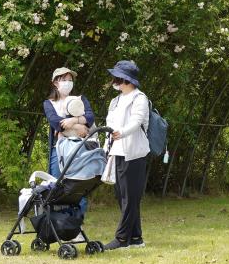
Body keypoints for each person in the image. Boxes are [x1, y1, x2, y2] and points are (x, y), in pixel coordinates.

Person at [103, 60, 150, 250]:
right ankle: (136, 238)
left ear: (124, 79)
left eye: (116, 77)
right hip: (117, 151)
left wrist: (121, 132)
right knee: (122, 195)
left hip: (134, 152)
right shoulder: (116, 100)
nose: (113, 80)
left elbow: (137, 121)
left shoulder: (139, 98)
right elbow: (109, 123)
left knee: (130, 197)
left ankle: (122, 239)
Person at [43, 67, 95, 218]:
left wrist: (73, 120)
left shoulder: (80, 99)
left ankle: (77, 223)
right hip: (59, 149)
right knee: (57, 184)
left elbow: (90, 116)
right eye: (63, 80)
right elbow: (55, 121)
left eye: (70, 80)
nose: (67, 83)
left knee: (79, 184)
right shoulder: (49, 103)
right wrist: (79, 125)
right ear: (55, 83)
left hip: (80, 148)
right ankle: (60, 221)